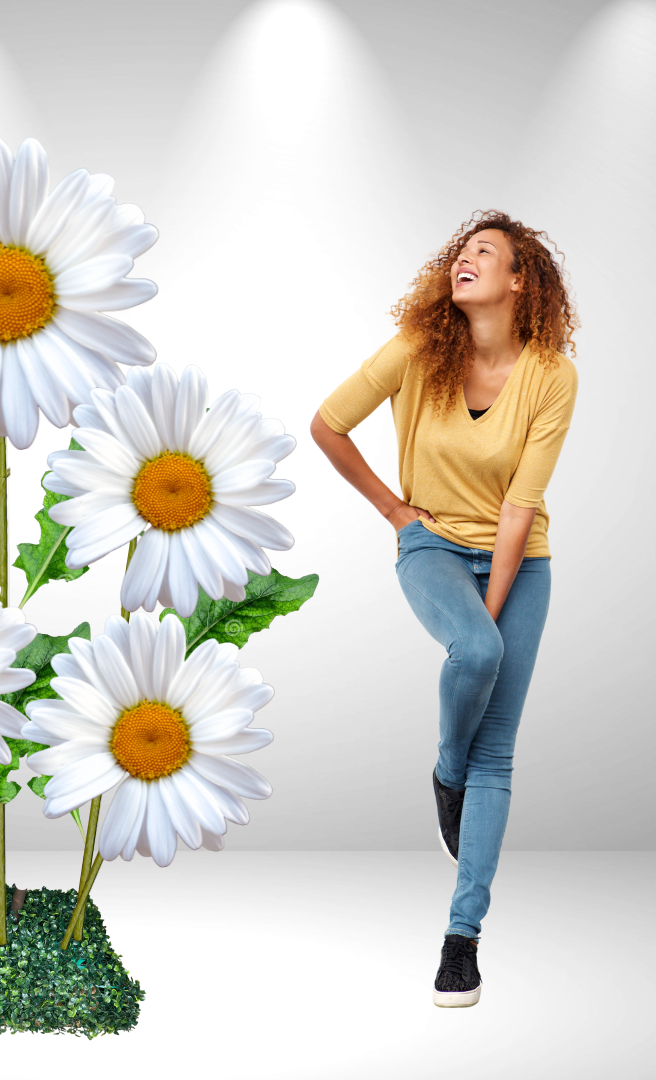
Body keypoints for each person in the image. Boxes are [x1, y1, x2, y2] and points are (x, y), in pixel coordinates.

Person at [310, 210, 579, 1007]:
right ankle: (444, 770)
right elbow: (327, 424)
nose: (464, 262)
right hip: (430, 546)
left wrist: (490, 615)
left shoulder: (552, 375)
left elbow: (519, 508)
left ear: (519, 280)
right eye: (460, 254)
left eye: (484, 254)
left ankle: (462, 941)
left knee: (498, 751)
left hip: (518, 559)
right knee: (479, 657)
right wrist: (396, 513)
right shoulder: (417, 350)